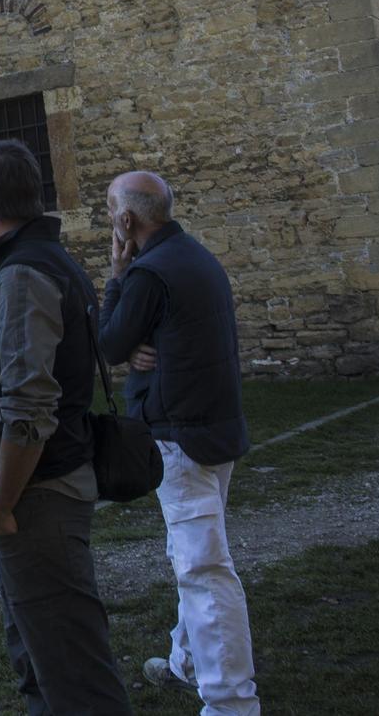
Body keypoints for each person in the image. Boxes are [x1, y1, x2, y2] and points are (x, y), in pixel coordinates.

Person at [0, 138, 133, 716]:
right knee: (41, 663)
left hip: (39, 498)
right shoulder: (49, 260)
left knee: (72, 673)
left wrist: (2, 503)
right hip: (51, 488)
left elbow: (30, 403)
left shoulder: (23, 274)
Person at [96, 171, 260, 715]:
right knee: (192, 554)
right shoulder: (197, 257)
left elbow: (111, 342)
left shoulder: (149, 273)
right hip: (216, 427)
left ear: (127, 220)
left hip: (181, 437)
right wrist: (148, 339)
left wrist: (118, 275)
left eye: (111, 212)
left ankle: (231, 702)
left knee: (203, 568)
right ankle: (186, 661)